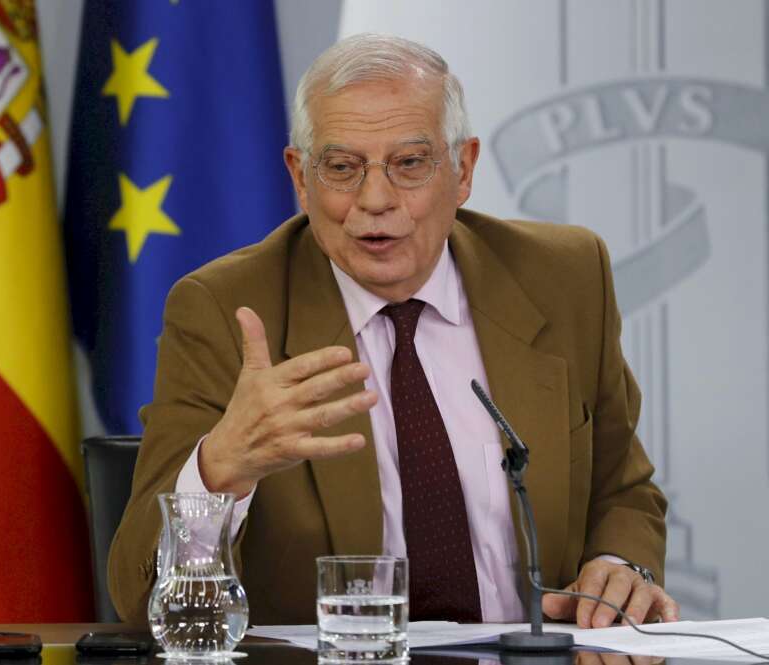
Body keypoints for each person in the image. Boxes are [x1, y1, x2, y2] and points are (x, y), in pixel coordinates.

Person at [108, 33, 679, 628]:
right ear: (300, 179)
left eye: (409, 164)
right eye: (342, 168)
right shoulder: (223, 311)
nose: (375, 199)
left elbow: (623, 489)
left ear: (463, 169)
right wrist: (220, 469)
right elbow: (135, 592)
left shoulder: (565, 277)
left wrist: (620, 562)